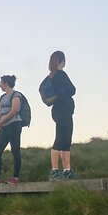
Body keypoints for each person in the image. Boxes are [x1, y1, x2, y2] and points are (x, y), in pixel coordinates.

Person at [46, 51, 77, 181]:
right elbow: (72, 90)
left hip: (57, 110)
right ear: (61, 61)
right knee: (62, 139)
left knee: (63, 139)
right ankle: (56, 171)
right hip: (64, 109)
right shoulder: (61, 74)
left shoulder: (50, 77)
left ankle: (66, 171)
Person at [0, 75, 23, 185]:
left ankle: (15, 177)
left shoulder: (16, 95)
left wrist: (2, 120)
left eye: (1, 83)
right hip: (4, 126)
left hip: (14, 124)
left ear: (5, 83)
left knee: (15, 149)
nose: (0, 85)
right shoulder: (2, 97)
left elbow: (14, 110)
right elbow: (0, 110)